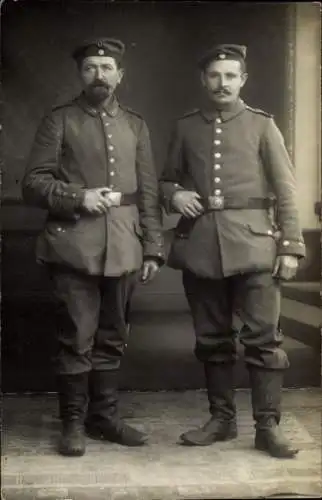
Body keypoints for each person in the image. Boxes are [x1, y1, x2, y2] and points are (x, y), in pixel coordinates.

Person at [159, 44, 305, 458]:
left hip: (256, 245)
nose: (222, 83)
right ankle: (221, 420)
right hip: (202, 246)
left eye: (230, 76)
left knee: (264, 340)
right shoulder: (186, 127)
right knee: (212, 339)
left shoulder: (262, 126)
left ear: (243, 80)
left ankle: (267, 427)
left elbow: (286, 189)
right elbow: (166, 180)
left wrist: (290, 247)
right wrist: (176, 195)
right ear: (203, 81)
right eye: (214, 76)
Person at [22, 38, 165, 457]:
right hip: (73, 247)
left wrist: (153, 247)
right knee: (76, 339)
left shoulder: (136, 124)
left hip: (124, 244)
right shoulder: (60, 121)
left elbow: (149, 191)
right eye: (90, 68)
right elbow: (33, 183)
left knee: (112, 337)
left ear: (120, 74)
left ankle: (103, 417)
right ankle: (72, 423)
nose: (99, 75)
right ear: (80, 74)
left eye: (107, 67)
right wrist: (78, 196)